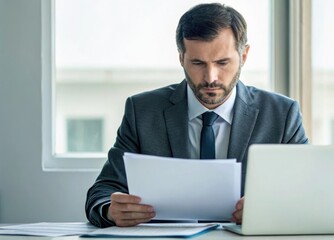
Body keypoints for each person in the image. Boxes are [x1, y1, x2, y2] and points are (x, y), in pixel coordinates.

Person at [85, 3, 308, 228]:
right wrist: (111, 210)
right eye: (198, 63)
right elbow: (102, 192)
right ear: (181, 58)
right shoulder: (142, 111)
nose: (211, 77)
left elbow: (306, 193)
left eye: (222, 63)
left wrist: (272, 208)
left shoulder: (282, 115)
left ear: (244, 55)